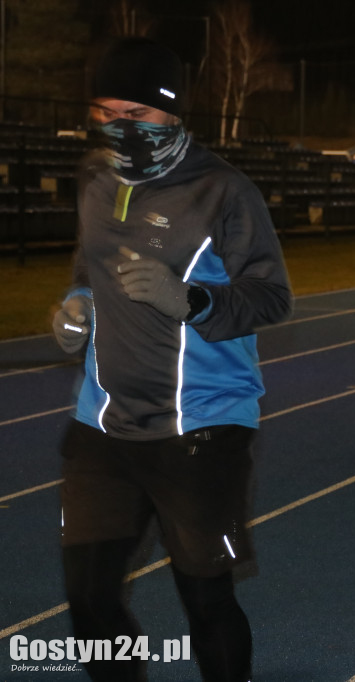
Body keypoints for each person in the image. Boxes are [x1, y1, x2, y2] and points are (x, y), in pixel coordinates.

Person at [50, 37, 293, 682]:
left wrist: (189, 299)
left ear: (174, 114)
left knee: (205, 600)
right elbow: (89, 268)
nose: (119, 126)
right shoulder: (95, 180)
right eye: (105, 111)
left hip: (200, 430)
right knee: (89, 599)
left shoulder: (223, 191)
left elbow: (271, 298)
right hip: (102, 424)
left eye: (138, 112)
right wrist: (75, 306)